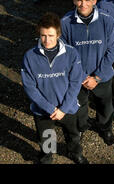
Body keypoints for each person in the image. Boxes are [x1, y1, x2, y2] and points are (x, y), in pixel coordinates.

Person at [21, 12, 88, 164]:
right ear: (39, 33)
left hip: (68, 107)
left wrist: (63, 109)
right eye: (43, 35)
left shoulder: (71, 53)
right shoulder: (29, 56)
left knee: (73, 134)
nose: (47, 40)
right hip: (43, 110)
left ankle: (74, 153)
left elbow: (75, 82)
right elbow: (30, 87)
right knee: (46, 135)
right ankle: (47, 157)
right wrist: (50, 109)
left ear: (58, 34)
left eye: (51, 35)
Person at [61, 0, 114, 146]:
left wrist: (97, 77)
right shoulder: (65, 23)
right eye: (79, 0)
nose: (83, 4)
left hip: (102, 76)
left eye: (87, 0)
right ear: (73, 0)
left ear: (95, 0)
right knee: (80, 105)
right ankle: (82, 126)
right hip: (77, 79)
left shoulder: (107, 21)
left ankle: (105, 127)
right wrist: (83, 77)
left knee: (105, 105)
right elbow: (64, 55)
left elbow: (112, 50)